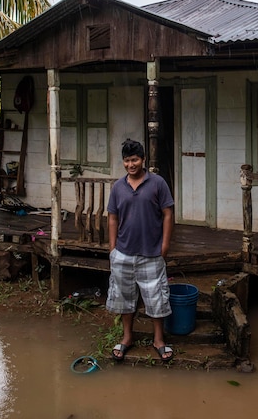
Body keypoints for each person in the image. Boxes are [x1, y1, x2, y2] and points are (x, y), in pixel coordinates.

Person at [106, 138, 175, 362]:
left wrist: (164, 245)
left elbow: (167, 214)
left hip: (151, 253)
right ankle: (127, 338)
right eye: (126, 161)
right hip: (123, 253)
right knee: (125, 299)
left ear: (143, 160)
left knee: (156, 298)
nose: (131, 164)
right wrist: (113, 248)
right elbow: (113, 218)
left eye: (135, 159)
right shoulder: (118, 187)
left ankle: (159, 340)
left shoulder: (157, 183)